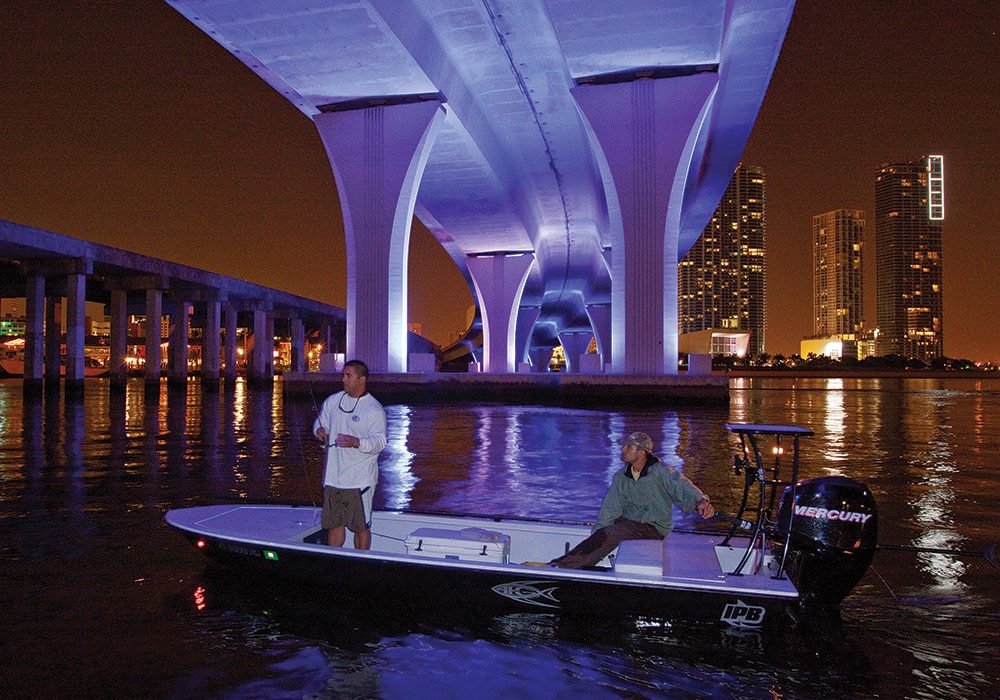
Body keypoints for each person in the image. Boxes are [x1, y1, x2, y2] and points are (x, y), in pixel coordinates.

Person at [550, 432, 715, 568]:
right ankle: (566, 563)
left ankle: (564, 567)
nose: (623, 449)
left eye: (628, 446)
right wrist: (596, 535)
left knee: (611, 533)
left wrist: (700, 501)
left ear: (642, 451)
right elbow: (610, 509)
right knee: (607, 532)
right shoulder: (621, 477)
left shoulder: (661, 472)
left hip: (653, 528)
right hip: (629, 524)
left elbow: (682, 487)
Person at [313, 359, 387, 549]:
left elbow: (380, 442)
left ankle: (361, 563)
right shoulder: (333, 400)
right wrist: (319, 431)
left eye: (348, 376)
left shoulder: (373, 409)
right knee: (334, 524)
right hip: (332, 478)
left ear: (362, 379)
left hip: (359, 480)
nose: (343, 379)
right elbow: (322, 422)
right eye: (343, 375)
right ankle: (335, 559)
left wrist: (356, 443)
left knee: (360, 527)